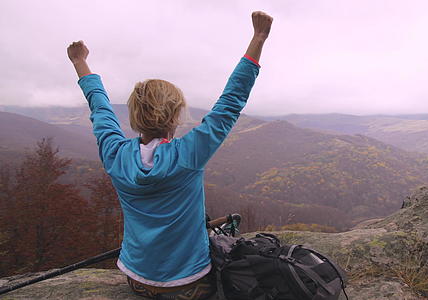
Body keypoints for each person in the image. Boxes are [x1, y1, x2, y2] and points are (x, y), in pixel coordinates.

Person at [67, 11, 273, 300]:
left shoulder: (114, 153)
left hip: (137, 280)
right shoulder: (187, 154)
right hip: (189, 285)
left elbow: (99, 108)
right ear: (175, 116)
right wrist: (259, 38)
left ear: (134, 114)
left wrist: (80, 62)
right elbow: (230, 102)